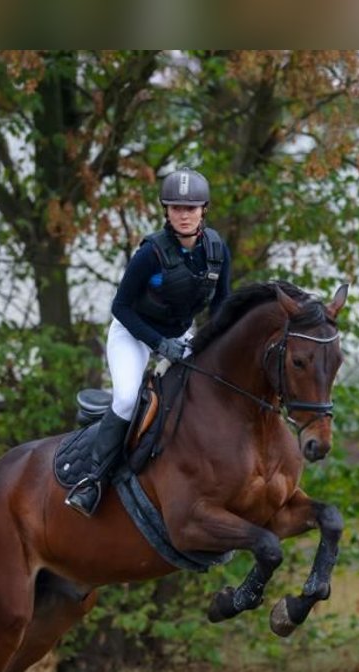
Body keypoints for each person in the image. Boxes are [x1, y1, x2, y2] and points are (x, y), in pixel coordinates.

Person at [65, 167, 233, 517]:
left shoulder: (217, 251)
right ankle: (93, 480)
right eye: (175, 208)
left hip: (180, 335)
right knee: (127, 398)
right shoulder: (150, 253)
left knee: (198, 395)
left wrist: (210, 346)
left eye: (191, 208)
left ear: (204, 210)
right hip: (133, 333)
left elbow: (221, 307)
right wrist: (159, 343)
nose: (183, 215)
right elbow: (120, 307)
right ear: (166, 211)